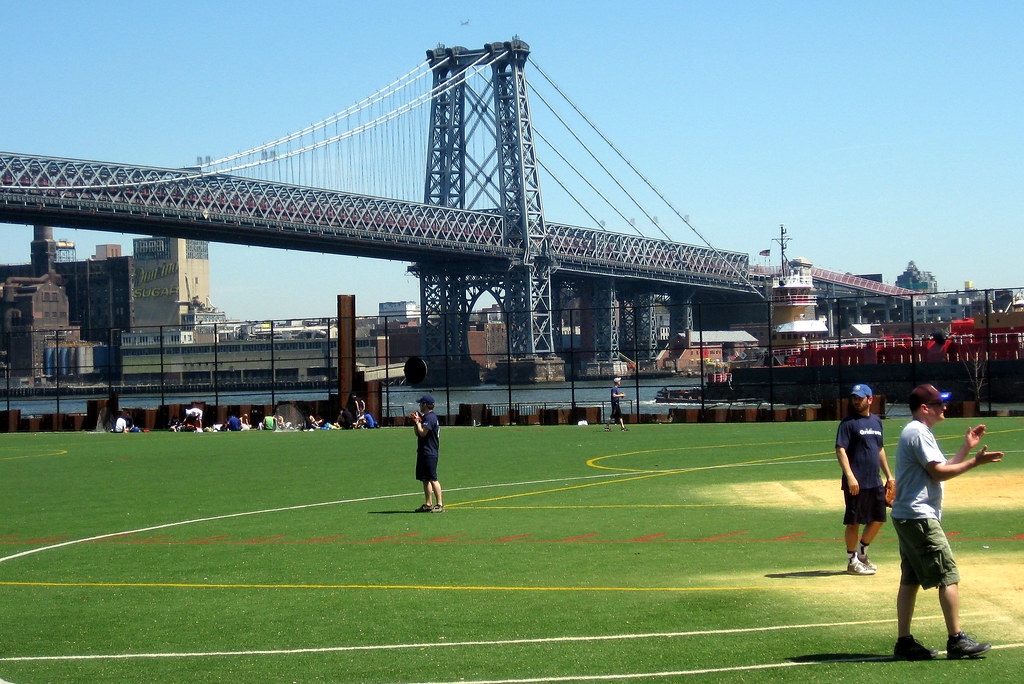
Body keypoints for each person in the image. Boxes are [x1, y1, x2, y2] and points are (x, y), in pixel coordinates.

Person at [891, 384, 1004, 661]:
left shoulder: (918, 432)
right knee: (948, 576)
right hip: (919, 518)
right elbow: (940, 473)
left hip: (908, 516)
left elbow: (943, 467)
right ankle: (957, 639)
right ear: (924, 408)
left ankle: (904, 642)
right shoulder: (918, 432)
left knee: (911, 579)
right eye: (938, 404)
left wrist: (966, 448)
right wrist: (975, 463)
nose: (944, 407)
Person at [835, 383, 893, 575]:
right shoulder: (848, 423)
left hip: (874, 480)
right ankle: (852, 561)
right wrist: (850, 476)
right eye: (854, 397)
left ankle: (862, 552)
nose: (856, 401)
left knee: (878, 519)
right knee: (854, 522)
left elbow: (880, 449)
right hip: (856, 483)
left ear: (870, 399)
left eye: (860, 397)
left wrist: (889, 476)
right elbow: (840, 449)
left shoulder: (876, 422)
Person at [411, 394, 443, 513]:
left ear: (425, 404)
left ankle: (439, 504)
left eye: (421, 403)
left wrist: (419, 422)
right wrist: (416, 422)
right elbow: (417, 433)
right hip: (423, 451)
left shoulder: (430, 418)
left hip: (430, 452)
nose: (419, 405)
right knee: (425, 479)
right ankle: (428, 503)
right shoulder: (426, 417)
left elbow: (423, 432)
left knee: (433, 478)